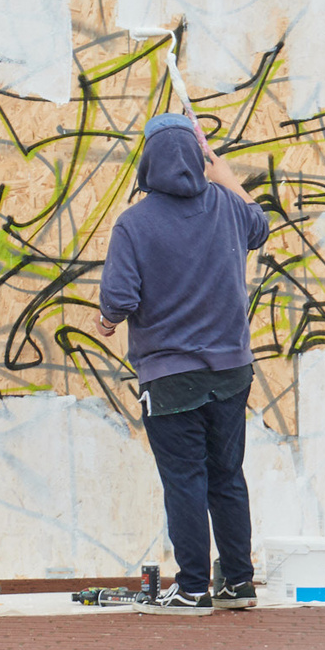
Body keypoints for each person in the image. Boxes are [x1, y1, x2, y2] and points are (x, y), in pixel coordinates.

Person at [94, 113, 271, 615]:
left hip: (170, 377)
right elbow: (260, 226)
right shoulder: (227, 208)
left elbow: (121, 297)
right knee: (227, 476)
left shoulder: (134, 223)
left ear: (148, 161)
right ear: (198, 156)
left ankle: (193, 588)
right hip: (232, 370)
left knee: (186, 479)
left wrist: (108, 320)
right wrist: (225, 174)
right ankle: (238, 584)